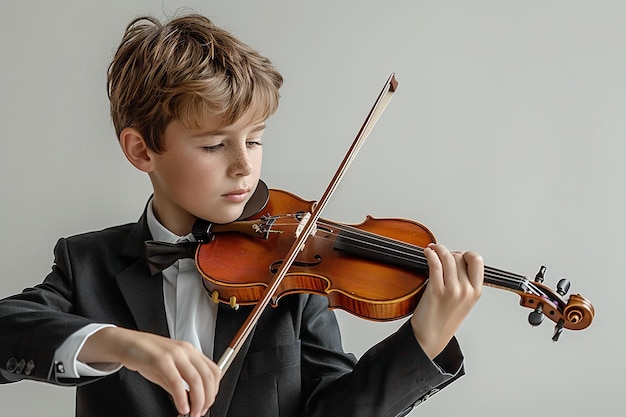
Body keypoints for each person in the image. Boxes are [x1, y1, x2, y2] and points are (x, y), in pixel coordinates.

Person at [0, 13, 484, 417]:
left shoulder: (290, 268)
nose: (243, 166)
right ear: (142, 150)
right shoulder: (87, 264)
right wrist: (123, 345)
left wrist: (423, 340)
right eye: (214, 145)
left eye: (254, 139)